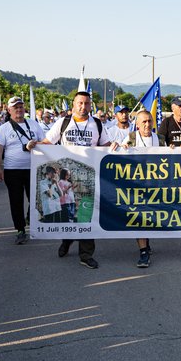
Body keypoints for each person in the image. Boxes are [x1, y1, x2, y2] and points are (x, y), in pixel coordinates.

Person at [43, 91, 109, 269]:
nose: (83, 106)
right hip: (67, 179)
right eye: (80, 103)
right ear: (73, 105)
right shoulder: (63, 123)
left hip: (89, 178)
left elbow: (105, 146)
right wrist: (35, 146)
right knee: (69, 214)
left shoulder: (96, 124)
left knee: (86, 215)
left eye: (87, 103)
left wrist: (115, 146)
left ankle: (86, 254)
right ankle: (67, 240)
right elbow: (48, 143)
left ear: (90, 105)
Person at [0, 96, 45, 245]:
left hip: (33, 169)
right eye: (15, 107)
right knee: (16, 200)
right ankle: (20, 230)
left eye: (21, 107)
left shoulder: (34, 125)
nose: (19, 109)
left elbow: (46, 142)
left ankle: (30, 216)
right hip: (12, 170)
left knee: (36, 198)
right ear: (9, 110)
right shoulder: (4, 128)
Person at [118, 110, 166, 268]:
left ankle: (147, 242)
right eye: (143, 122)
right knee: (139, 217)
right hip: (137, 186)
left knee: (152, 216)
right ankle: (143, 251)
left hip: (156, 185)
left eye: (149, 121)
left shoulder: (159, 139)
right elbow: (119, 154)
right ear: (137, 124)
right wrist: (121, 147)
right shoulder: (131, 138)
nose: (147, 124)